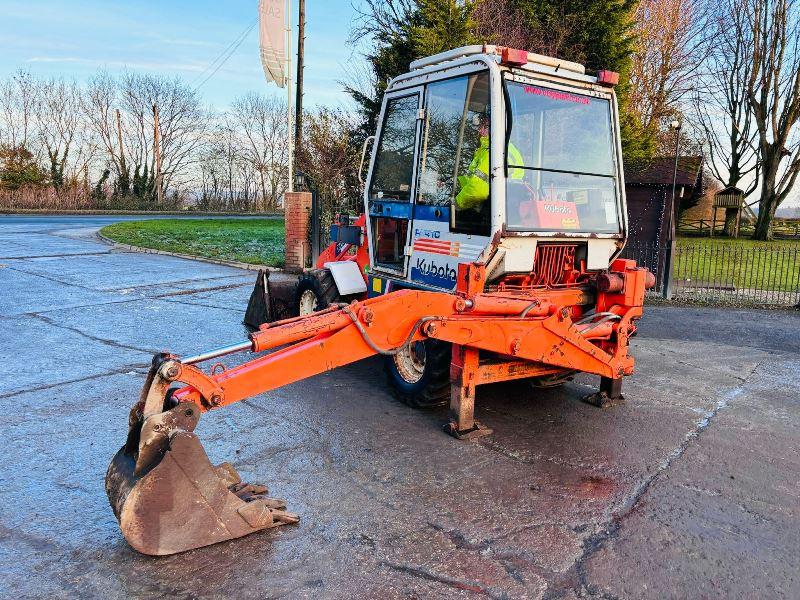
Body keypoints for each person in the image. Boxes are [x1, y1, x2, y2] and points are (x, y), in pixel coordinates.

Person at [455, 113, 525, 211]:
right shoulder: (501, 148)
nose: (479, 131)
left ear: (492, 127)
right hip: (503, 206)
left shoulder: (493, 151)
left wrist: (456, 205)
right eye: (478, 128)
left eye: (482, 127)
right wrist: (453, 183)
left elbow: (477, 190)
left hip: (495, 209)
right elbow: (475, 180)